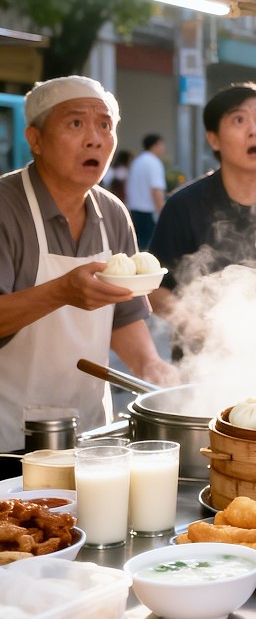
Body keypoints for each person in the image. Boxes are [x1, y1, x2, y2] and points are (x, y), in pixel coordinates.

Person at [0, 76, 174, 471]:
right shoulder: (5, 208)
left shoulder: (112, 212)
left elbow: (125, 316)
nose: (95, 138)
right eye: (76, 124)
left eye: (105, 125)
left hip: (92, 436)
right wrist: (61, 291)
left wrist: (153, 369)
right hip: (10, 441)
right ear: (36, 139)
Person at [148, 82, 256, 362]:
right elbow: (156, 290)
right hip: (202, 363)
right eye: (239, 120)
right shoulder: (183, 205)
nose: (254, 130)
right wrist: (194, 325)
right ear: (213, 139)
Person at [124, 133, 167, 249]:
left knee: (137, 246)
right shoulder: (153, 162)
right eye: (162, 145)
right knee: (149, 249)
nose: (163, 148)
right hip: (149, 211)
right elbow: (156, 189)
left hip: (135, 209)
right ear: (156, 145)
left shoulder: (137, 161)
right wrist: (163, 213)